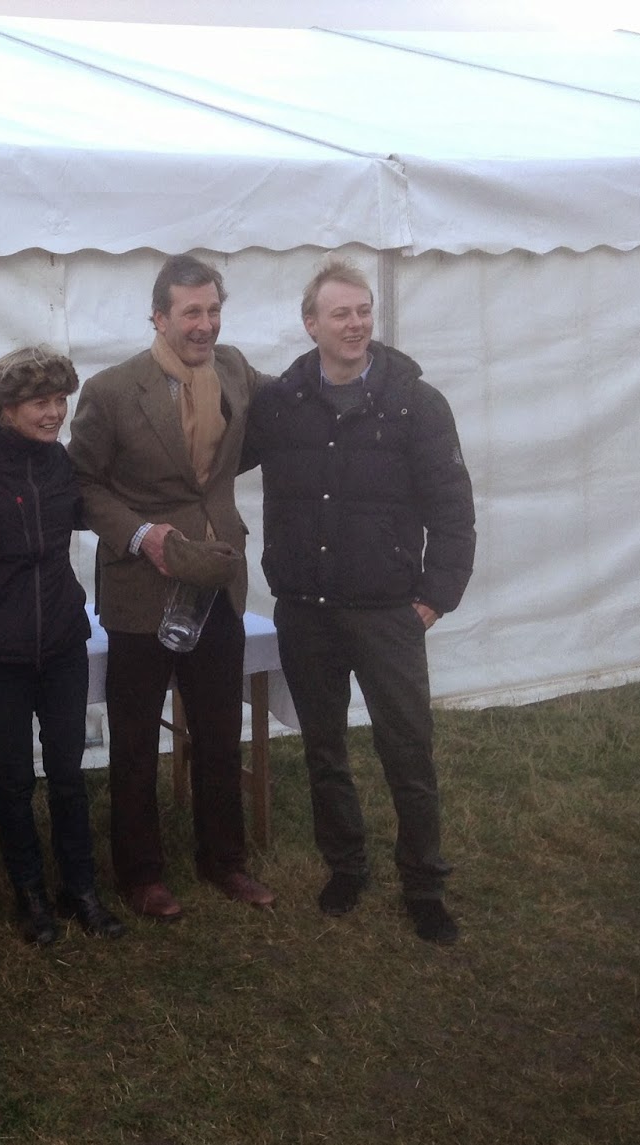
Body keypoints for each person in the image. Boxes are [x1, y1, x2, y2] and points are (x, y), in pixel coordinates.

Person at [243, 257, 476, 945]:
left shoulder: (417, 404)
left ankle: (424, 885)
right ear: (310, 323)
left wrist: (435, 597)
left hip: (387, 611)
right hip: (306, 609)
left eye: (363, 310)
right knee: (324, 748)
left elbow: (453, 509)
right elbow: (215, 455)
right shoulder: (280, 405)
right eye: (340, 313)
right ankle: (345, 866)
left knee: (409, 751)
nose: (355, 324)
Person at [68, 254, 274, 921]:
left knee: (218, 732)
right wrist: (141, 535)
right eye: (191, 312)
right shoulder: (110, 390)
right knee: (134, 742)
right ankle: (142, 874)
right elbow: (81, 486)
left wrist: (363, 359)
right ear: (159, 317)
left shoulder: (237, 370)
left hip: (218, 582)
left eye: (213, 310)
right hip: (142, 588)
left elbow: (293, 403)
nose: (204, 324)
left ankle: (225, 860)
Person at [0, 347, 126, 946]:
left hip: (61, 638)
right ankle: (29, 894)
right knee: (14, 776)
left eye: (60, 400)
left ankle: (81, 888)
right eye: (39, 402)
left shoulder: (62, 462)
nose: (54, 413)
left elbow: (98, 506)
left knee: (68, 773)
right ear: (5, 407)